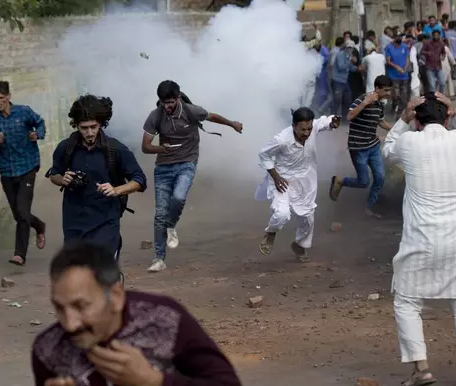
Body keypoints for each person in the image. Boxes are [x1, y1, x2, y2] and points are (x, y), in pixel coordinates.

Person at [31, 243, 246, 386]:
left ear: (115, 296)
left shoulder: (165, 320)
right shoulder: (48, 350)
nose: (70, 324)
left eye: (81, 306)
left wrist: (154, 382)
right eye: (59, 307)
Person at [382, 92, 456, 386]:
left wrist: (402, 118)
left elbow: (388, 150)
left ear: (417, 121)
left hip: (421, 238)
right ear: (446, 117)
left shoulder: (410, 141)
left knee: (406, 300)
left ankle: (421, 369)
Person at [141, 80, 242, 273]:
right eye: (164, 102)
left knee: (178, 197)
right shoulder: (155, 116)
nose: (168, 106)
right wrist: (161, 148)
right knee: (160, 214)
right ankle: (159, 258)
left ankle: (171, 225)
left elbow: (212, 116)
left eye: (171, 102)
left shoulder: (190, 111)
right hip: (163, 167)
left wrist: (232, 124)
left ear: (178, 98)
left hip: (186, 163)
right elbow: (145, 146)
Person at [47, 94, 147, 269]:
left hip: (106, 222)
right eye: (84, 128)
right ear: (76, 125)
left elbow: (139, 180)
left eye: (93, 127)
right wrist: (62, 179)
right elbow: (53, 173)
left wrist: (116, 190)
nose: (90, 133)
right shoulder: (66, 148)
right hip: (73, 223)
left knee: (101, 272)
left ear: (101, 123)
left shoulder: (116, 149)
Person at [256, 108, 341, 262]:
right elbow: (264, 154)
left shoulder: (312, 126)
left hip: (307, 180)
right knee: (281, 213)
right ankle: (271, 233)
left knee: (307, 217)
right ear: (294, 125)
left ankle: (300, 245)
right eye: (303, 129)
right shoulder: (282, 139)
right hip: (283, 179)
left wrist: (333, 122)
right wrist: (275, 177)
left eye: (309, 129)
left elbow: (324, 122)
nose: (307, 133)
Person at [0, 81, 47, 266]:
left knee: (22, 211)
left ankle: (19, 254)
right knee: (19, 215)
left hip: (27, 167)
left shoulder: (23, 112)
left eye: (1, 98)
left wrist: (37, 134)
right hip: (7, 171)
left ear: (9, 96)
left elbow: (40, 123)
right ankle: (39, 226)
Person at [328, 75, 393, 217]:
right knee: (363, 182)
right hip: (358, 148)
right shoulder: (362, 99)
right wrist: (365, 103)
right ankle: (340, 181)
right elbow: (349, 116)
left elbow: (380, 122)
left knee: (380, 178)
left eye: (389, 90)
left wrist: (396, 129)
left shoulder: (380, 104)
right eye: (386, 90)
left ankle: (368, 207)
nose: (388, 93)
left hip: (373, 146)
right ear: (377, 88)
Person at [384, 33, 411, 117]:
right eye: (397, 36)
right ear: (394, 38)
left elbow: (407, 59)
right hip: (393, 75)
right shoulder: (389, 47)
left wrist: (405, 68)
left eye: (400, 36)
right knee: (396, 94)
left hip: (404, 75)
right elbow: (388, 61)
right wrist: (397, 67)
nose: (399, 38)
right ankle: (394, 104)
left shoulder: (405, 46)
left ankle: (400, 113)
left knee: (404, 95)